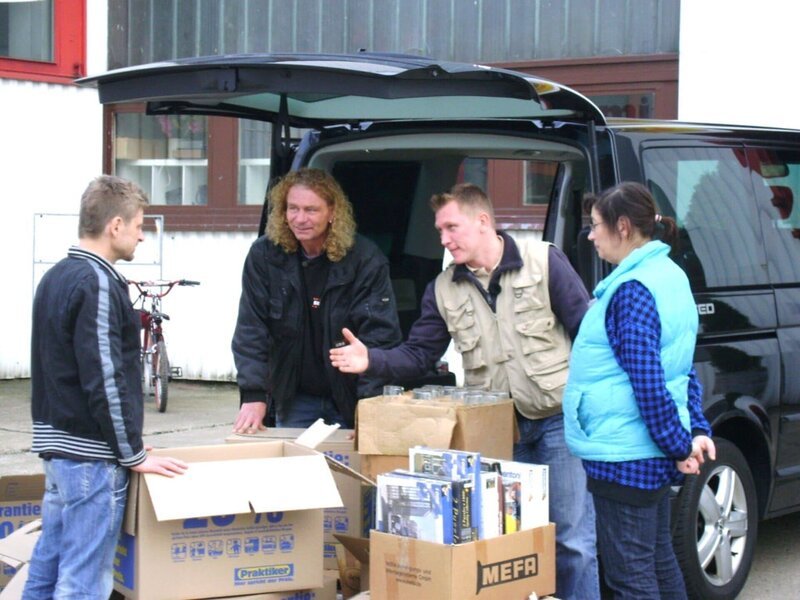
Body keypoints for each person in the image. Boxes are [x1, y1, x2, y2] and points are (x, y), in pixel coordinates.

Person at [330, 182, 601, 600]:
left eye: (451, 227)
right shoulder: (442, 288)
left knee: (571, 540)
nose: (444, 239)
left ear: (482, 221)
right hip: (498, 430)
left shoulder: (544, 262)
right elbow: (420, 355)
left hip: (558, 422)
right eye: (440, 231)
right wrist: (373, 361)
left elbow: (588, 334)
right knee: (507, 541)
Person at [24, 175, 188, 600]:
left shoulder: (56, 276)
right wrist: (130, 451)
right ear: (115, 226)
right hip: (90, 459)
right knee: (84, 582)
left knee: (48, 565)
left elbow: (56, 371)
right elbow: (104, 377)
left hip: (61, 451)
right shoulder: (97, 281)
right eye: (139, 226)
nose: (141, 237)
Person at [562, 182, 716, 599]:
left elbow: (649, 381)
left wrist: (679, 445)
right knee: (659, 561)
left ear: (624, 227)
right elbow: (680, 371)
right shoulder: (669, 275)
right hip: (643, 452)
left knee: (630, 575)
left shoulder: (632, 291)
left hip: (623, 455)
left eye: (595, 226)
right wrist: (685, 437)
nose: (591, 236)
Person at [231, 168, 402, 432]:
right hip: (296, 397)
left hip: (350, 395)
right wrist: (254, 394)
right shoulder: (265, 256)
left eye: (311, 210)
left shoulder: (365, 260)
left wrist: (369, 408)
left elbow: (380, 336)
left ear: (333, 213)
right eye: (293, 208)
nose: (300, 218)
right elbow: (251, 328)